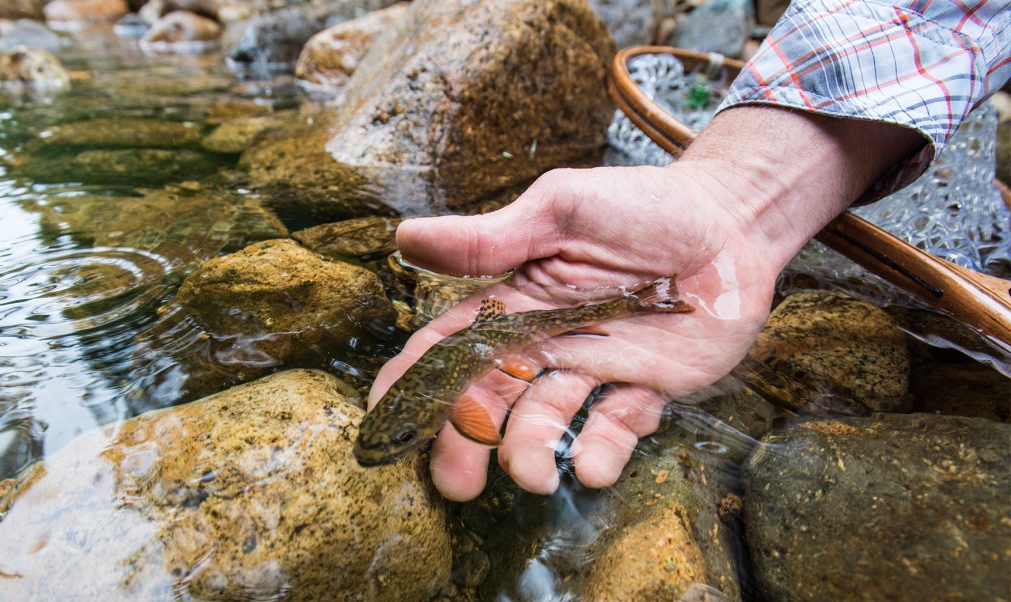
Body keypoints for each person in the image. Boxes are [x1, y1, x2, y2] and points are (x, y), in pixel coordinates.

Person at [368, 0, 1011, 501]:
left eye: (394, 437)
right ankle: (640, 302)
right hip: (503, 333)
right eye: (389, 440)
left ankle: (640, 302)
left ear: (426, 413)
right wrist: (732, 197)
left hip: (508, 333)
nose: (384, 449)